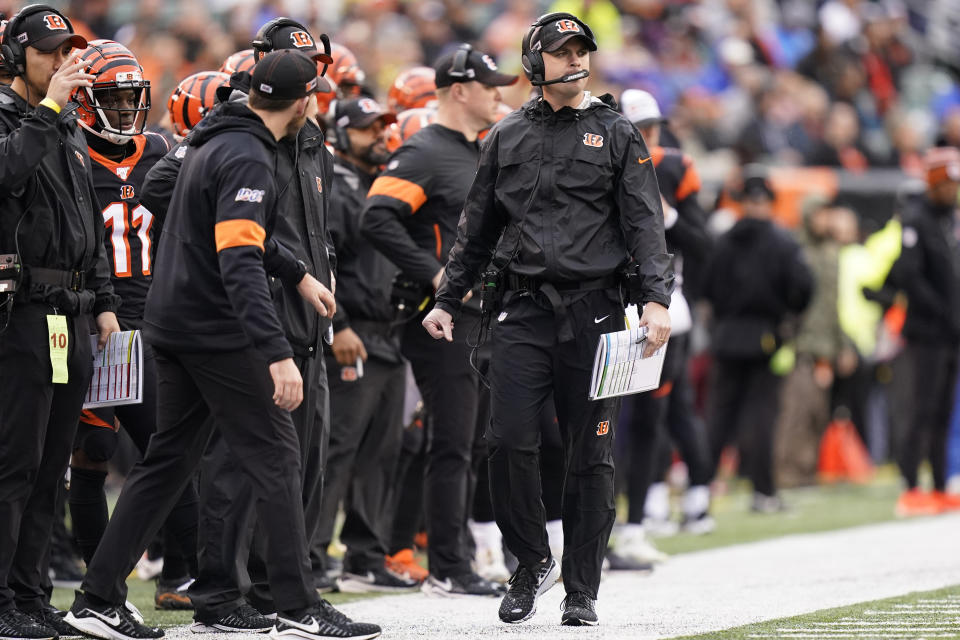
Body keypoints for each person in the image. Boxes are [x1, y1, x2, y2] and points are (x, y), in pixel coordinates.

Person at [63, 50, 381, 640]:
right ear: (303, 101)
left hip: (171, 321)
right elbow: (237, 261)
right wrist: (275, 351)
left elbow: (234, 234)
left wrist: (296, 272)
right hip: (216, 329)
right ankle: (296, 601)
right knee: (279, 456)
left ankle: (96, 596)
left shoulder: (212, 139)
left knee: (166, 462)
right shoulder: (249, 153)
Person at [422, 12, 673, 626]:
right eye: (561, 52)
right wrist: (448, 300)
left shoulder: (616, 132)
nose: (573, 60)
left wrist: (656, 300)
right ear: (536, 63)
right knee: (506, 440)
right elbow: (475, 230)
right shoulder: (505, 135)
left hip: (597, 311)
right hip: (522, 307)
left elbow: (645, 222)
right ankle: (531, 560)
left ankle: (581, 588)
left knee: (592, 454)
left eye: (580, 50)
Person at [140, 18, 346, 630]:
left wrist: (301, 273)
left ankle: (263, 586)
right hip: (241, 313)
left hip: (287, 306)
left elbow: (293, 231)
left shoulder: (306, 138)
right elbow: (168, 192)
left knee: (298, 459)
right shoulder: (234, 128)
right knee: (244, 462)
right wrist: (247, 262)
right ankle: (233, 592)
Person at [361, 43, 518, 598]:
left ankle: (451, 557)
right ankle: (450, 566)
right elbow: (377, 217)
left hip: (479, 316)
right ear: (459, 90)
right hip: (438, 318)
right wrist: (436, 276)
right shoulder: (426, 150)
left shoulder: (479, 148)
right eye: (489, 84)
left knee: (470, 442)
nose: (499, 93)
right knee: (453, 441)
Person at [66, 38, 199, 613]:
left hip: (154, 316)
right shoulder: (69, 152)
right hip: (93, 319)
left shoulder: (164, 149)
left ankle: (183, 571)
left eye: (130, 99)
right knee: (92, 450)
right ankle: (105, 583)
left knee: (165, 448)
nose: (124, 110)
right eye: (112, 99)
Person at [0, 6, 120, 639]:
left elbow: (88, 222)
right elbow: (5, 173)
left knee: (53, 465)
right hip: (18, 311)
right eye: (48, 52)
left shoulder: (68, 124)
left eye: (66, 51)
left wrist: (102, 299)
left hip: (70, 315)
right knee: (13, 462)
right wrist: (46, 110)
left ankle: (30, 594)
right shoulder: (17, 116)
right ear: (18, 56)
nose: (60, 63)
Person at [313, 96, 417, 593]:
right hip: (353, 334)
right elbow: (323, 261)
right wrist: (342, 324)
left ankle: (365, 555)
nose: (379, 135)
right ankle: (312, 555)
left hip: (389, 334)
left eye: (383, 126)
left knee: (382, 451)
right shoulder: (335, 186)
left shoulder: (381, 184)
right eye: (368, 128)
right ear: (342, 131)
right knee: (338, 449)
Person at [613, 90, 714, 565]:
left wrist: (665, 213)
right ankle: (590, 526)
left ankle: (636, 522)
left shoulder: (673, 169)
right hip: (605, 305)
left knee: (655, 415)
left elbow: (703, 242)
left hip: (659, 304)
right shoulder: (596, 159)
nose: (646, 137)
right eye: (638, 128)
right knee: (596, 422)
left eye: (650, 128)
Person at [702, 166, 813, 513]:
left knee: (718, 416)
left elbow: (707, 287)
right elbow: (803, 287)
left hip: (726, 335)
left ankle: (699, 490)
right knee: (761, 416)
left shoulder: (723, 240)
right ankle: (763, 492)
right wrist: (788, 315)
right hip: (765, 335)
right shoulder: (782, 241)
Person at [888, 147, 960, 516]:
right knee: (921, 408)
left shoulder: (952, 220)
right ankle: (911, 486)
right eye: (949, 183)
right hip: (928, 331)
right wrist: (945, 312)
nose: (954, 190)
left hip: (951, 333)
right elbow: (910, 278)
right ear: (934, 182)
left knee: (945, 411)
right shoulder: (916, 220)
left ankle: (939, 485)